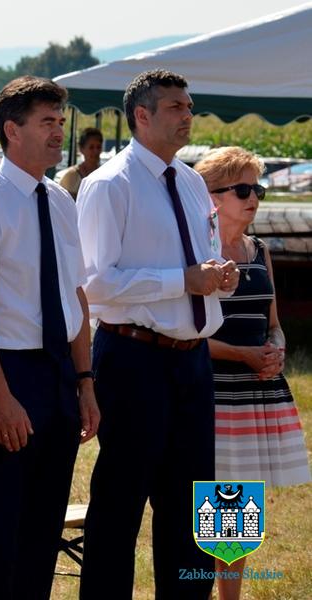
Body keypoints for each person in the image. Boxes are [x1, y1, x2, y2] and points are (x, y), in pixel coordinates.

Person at [76, 70, 239, 600]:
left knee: (193, 504)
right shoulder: (108, 185)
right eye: (174, 107)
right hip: (133, 356)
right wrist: (181, 281)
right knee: (121, 503)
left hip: (192, 362)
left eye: (189, 106)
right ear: (141, 116)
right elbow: (95, 285)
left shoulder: (192, 182)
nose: (187, 115)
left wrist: (219, 277)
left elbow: (197, 263)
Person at [0, 76, 100, 600]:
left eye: (61, 122)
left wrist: (84, 381)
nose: (59, 132)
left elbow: (74, 296)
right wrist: (0, 396)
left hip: (58, 371)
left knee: (43, 524)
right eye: (47, 122)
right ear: (12, 130)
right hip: (8, 372)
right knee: (1, 522)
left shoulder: (60, 200)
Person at [194, 147, 311, 600]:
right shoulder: (197, 255)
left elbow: (274, 325)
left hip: (254, 398)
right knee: (201, 508)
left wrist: (275, 351)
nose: (253, 198)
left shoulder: (260, 251)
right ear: (212, 197)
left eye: (257, 189)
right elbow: (187, 336)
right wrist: (242, 354)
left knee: (237, 512)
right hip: (210, 396)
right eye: (242, 189)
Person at [58, 127, 103, 200]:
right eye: (91, 147)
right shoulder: (71, 176)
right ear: (81, 149)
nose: (96, 151)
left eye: (98, 147)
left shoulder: (104, 173)